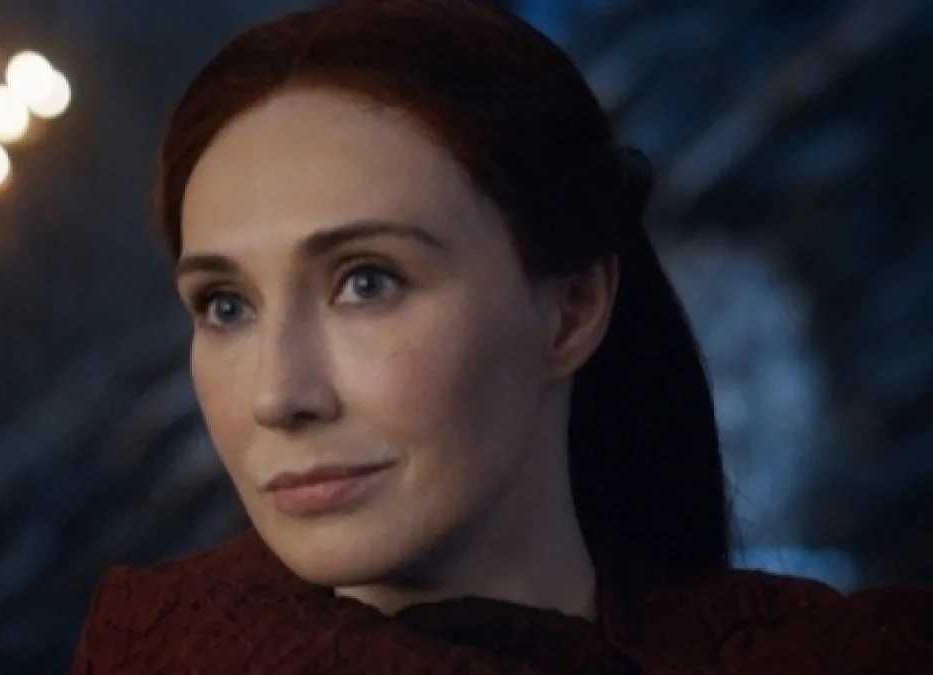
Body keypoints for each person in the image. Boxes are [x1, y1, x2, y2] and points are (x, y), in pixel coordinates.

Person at [69, 1, 932, 672]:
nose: (278, 394)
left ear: (573, 307)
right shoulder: (162, 654)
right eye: (226, 305)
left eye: (367, 282)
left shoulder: (840, 657)